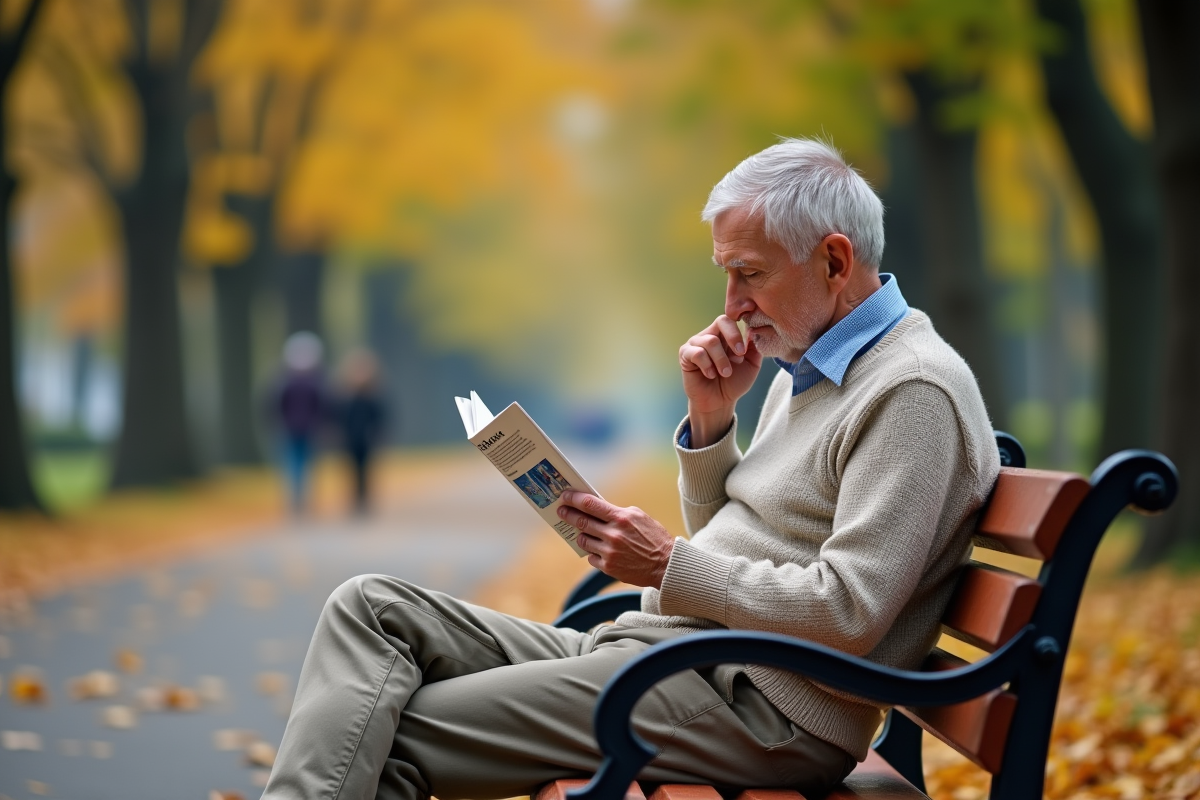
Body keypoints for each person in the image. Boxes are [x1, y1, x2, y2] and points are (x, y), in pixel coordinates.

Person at [261, 138, 999, 800]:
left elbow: (849, 612)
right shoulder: (808, 371)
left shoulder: (909, 392)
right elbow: (743, 544)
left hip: (760, 708)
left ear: (835, 262)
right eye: (726, 275)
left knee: (387, 735)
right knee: (370, 607)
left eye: (750, 275)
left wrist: (667, 564)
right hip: (673, 655)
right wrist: (712, 421)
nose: (732, 307)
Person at [272, 331, 327, 515]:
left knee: (296, 464)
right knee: (303, 464)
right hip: (301, 429)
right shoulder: (315, 382)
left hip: (295, 428)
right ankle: (300, 499)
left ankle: (298, 499)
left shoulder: (284, 381)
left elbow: (276, 406)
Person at [335, 348, 388, 515]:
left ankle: (364, 500)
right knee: (351, 470)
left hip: (366, 439)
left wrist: (378, 432)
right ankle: (354, 500)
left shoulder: (373, 395)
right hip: (349, 439)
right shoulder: (344, 395)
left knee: (365, 470)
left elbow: (380, 417)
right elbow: (338, 416)